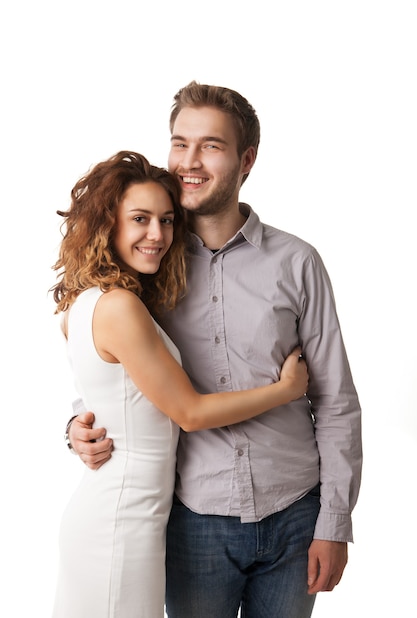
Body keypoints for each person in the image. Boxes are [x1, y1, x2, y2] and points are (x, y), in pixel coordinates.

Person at [67, 82, 363, 618]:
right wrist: (75, 426)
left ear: (247, 159)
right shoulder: (148, 260)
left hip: (296, 513)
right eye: (180, 143)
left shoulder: (298, 263)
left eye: (211, 146)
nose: (189, 161)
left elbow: (337, 401)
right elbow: (113, 370)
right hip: (193, 521)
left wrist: (334, 523)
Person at [50, 149, 309, 618]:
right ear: (106, 223)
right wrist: (285, 390)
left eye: (168, 220)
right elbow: (188, 412)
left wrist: (75, 428)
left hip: (128, 516)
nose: (158, 235)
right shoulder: (120, 308)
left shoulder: (88, 303)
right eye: (140, 219)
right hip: (121, 524)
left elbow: (112, 397)